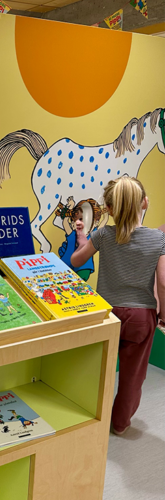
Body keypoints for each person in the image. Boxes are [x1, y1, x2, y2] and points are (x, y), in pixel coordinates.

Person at [71, 176, 165, 435]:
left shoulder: (103, 235)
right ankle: (119, 424)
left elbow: (77, 261)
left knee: (97, 369)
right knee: (132, 377)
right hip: (140, 316)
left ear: (109, 209)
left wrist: (83, 240)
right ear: (144, 203)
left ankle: (90, 418)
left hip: (107, 313)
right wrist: (163, 313)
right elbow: (164, 282)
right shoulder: (158, 239)